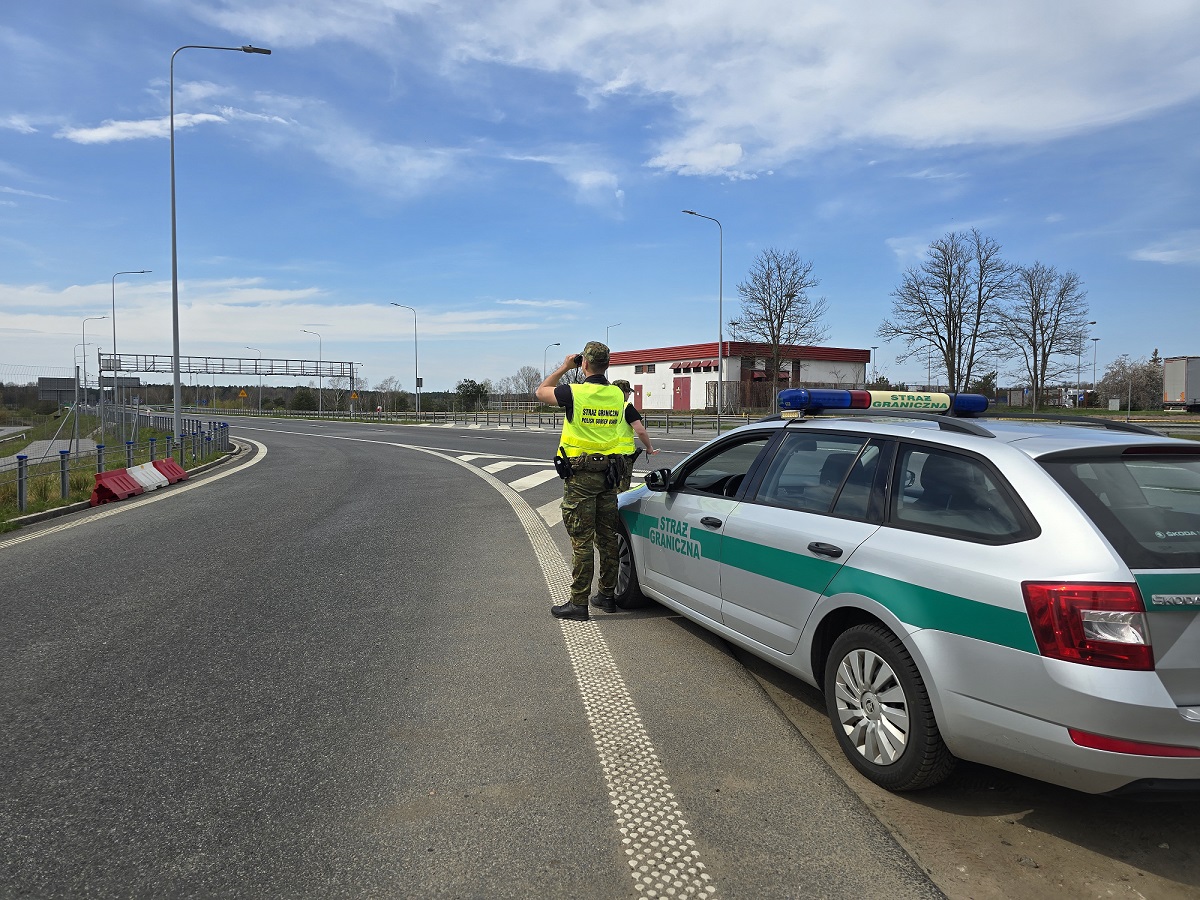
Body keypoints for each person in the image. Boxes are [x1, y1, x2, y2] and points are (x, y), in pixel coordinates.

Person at [535, 341, 630, 620]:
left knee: (582, 541)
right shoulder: (616, 394)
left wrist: (565, 366)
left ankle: (578, 603)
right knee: (607, 538)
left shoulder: (574, 392)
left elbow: (541, 392)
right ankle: (607, 595)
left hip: (582, 477)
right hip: (610, 476)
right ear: (608, 364)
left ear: (584, 363)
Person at [611, 379, 659, 492]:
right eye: (628, 392)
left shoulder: (603, 406)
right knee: (621, 490)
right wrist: (649, 447)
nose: (629, 395)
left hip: (604, 454)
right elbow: (640, 431)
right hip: (622, 457)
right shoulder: (626, 408)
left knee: (607, 489)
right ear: (624, 392)